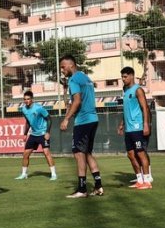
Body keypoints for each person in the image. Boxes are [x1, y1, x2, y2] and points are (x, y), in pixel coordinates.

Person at [59, 55, 103, 198]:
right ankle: (98, 186)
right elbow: (78, 99)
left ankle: (82, 189)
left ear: (71, 65)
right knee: (87, 153)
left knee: (78, 154)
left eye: (63, 67)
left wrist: (66, 119)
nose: (62, 70)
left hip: (83, 121)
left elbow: (77, 101)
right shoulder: (86, 78)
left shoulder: (74, 80)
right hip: (93, 119)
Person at [119, 67, 153, 189]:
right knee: (131, 155)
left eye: (125, 76)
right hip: (129, 129)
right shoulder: (126, 92)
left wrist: (146, 125)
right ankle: (139, 180)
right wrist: (122, 124)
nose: (123, 79)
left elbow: (145, 108)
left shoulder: (138, 90)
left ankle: (147, 181)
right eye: (122, 77)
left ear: (132, 76)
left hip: (138, 127)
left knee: (141, 154)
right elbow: (126, 110)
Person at [15, 90, 58, 181]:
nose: (26, 101)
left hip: (42, 134)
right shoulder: (23, 109)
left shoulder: (39, 108)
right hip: (33, 134)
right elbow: (28, 122)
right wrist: (25, 134)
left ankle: (53, 174)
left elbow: (49, 119)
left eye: (28, 99)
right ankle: (24, 174)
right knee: (26, 154)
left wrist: (47, 132)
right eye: (25, 99)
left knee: (46, 153)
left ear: (32, 99)